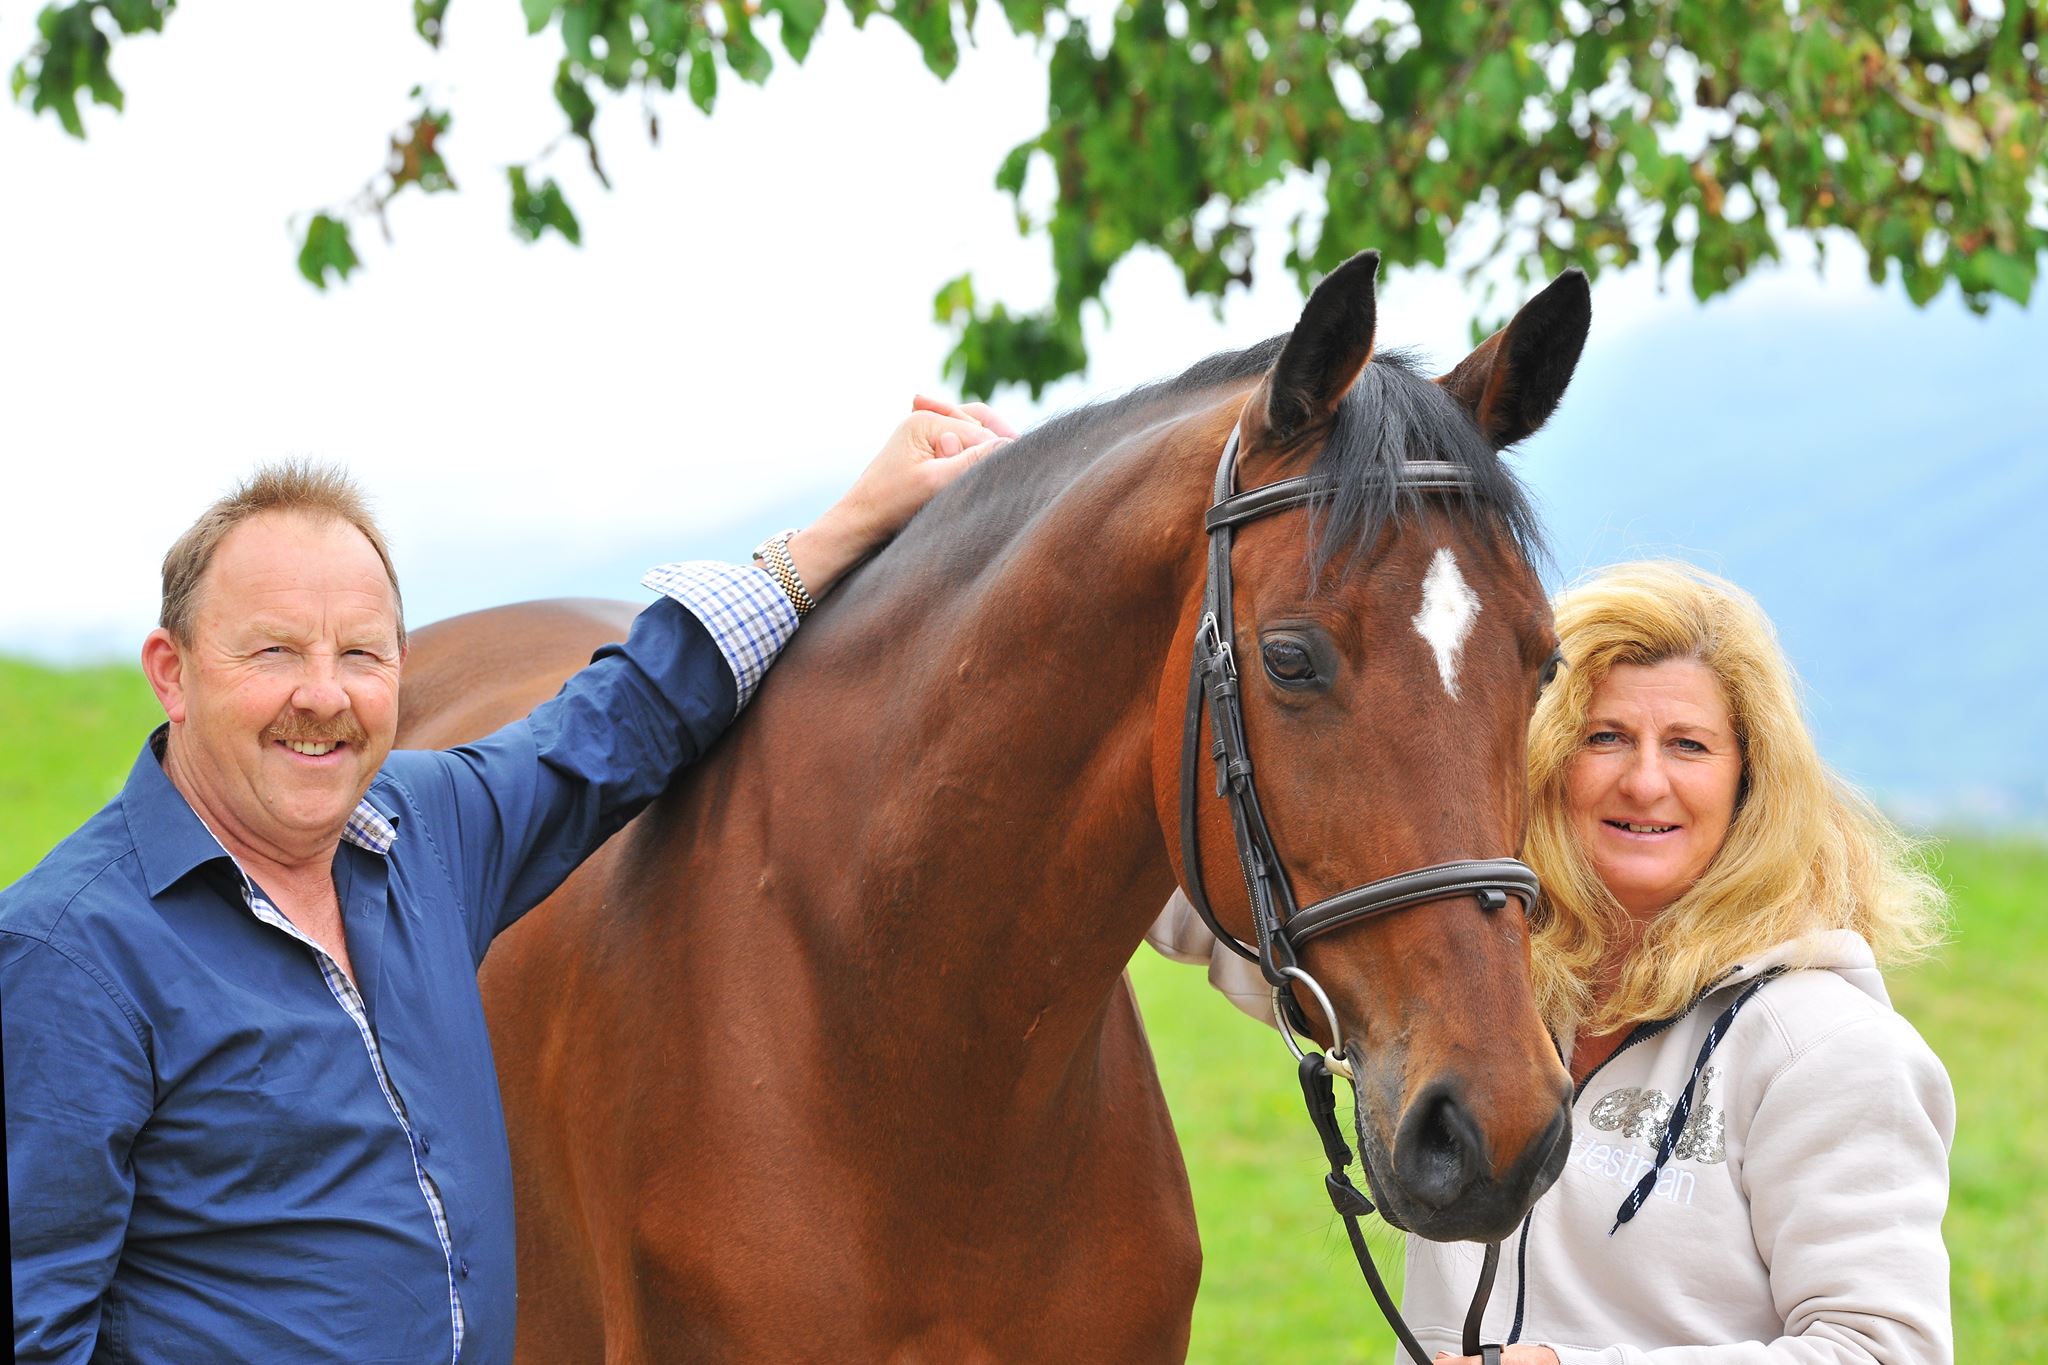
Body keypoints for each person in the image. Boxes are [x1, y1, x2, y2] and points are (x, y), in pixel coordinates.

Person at [1, 398, 1011, 1364]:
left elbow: (618, 725)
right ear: (171, 671)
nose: (322, 694)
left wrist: (845, 529)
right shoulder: (69, 955)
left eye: (359, 653)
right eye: (273, 652)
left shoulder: (420, 832)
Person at [1153, 560, 1954, 1364]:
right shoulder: (1473, 987)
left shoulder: (1826, 1049)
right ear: (1538, 757)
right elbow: (1191, 905)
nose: (1645, 781)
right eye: (1605, 737)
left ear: (1750, 780)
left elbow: (1886, 1351)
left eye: (1689, 745)